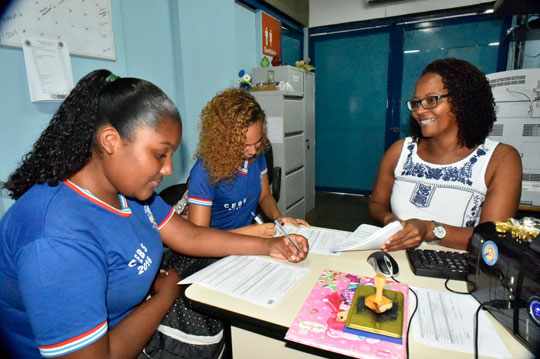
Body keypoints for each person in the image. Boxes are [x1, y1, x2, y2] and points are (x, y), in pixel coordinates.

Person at [0, 70, 308, 359]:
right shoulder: (55, 239)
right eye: (160, 154)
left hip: (139, 315)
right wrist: (164, 296)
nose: (169, 169)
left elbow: (190, 235)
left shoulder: (130, 194)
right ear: (110, 141)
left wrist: (270, 245)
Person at [368, 58, 522, 251]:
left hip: (460, 273)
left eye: (431, 100)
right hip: (397, 258)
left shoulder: (501, 160)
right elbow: (376, 204)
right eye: (416, 103)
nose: (420, 111)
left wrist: (430, 230)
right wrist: (390, 220)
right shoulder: (399, 152)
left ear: (462, 100)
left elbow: (492, 240)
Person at [187, 88, 308, 236]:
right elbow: (198, 239)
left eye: (257, 143)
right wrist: (248, 234)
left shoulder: (258, 155)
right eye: (243, 146)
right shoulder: (204, 171)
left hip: (246, 241)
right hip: (216, 251)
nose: (252, 151)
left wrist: (278, 218)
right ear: (224, 141)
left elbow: (264, 195)